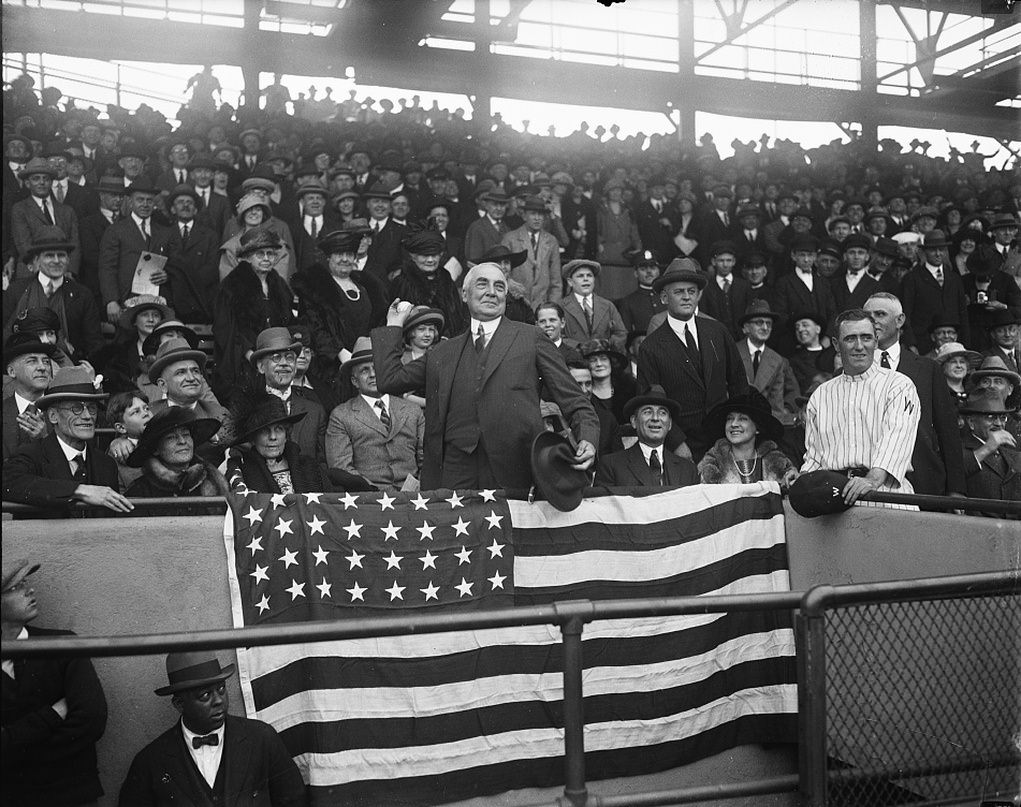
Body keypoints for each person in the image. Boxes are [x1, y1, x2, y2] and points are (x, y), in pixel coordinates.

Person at [372, 263, 598, 490]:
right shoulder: (443, 352)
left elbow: (574, 399)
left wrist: (587, 437)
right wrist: (394, 325)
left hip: (516, 468)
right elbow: (390, 379)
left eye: (499, 287)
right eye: (483, 284)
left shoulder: (531, 337)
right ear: (464, 294)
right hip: (454, 471)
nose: (492, 291)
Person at [118, 651, 306, 807]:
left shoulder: (262, 738)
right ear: (179, 704)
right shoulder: (150, 762)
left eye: (221, 689)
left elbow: (294, 800)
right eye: (205, 695)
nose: (218, 700)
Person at [1, 558, 109, 807]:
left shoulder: (64, 644)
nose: (30, 590)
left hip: (73, 799)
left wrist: (14, 747)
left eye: (27, 582)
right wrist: (53, 714)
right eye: (16, 587)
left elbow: (92, 719)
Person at [801, 309, 921, 506]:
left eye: (866, 338)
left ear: (875, 341)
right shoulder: (821, 394)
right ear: (836, 345)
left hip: (885, 494)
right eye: (850, 339)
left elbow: (897, 439)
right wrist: (803, 478)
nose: (859, 346)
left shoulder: (899, 385)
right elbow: (814, 457)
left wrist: (871, 480)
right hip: (835, 497)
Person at [636, 258, 748, 460]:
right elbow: (650, 401)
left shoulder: (717, 332)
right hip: (682, 446)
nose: (686, 297)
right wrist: (677, 443)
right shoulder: (650, 347)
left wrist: (738, 431)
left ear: (698, 295)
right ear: (663, 297)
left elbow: (738, 383)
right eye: (679, 292)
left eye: (692, 291)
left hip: (724, 439)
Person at [862, 293, 967, 497]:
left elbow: (947, 431)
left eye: (880, 314)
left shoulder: (928, 369)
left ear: (899, 320)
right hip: (868, 480)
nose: (872, 320)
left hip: (922, 480)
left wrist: (956, 489)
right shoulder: (851, 371)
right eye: (867, 315)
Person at [2, 366, 133, 513]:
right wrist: (79, 490)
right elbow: (9, 483)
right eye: (76, 408)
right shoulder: (31, 456)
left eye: (91, 408)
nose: (87, 416)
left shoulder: (106, 465)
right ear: (53, 416)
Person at [326, 337, 424, 491]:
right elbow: (341, 467)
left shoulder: (413, 410)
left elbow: (427, 460)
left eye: (377, 368)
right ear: (354, 381)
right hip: (369, 500)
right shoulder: (341, 415)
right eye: (365, 370)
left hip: (414, 499)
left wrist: (416, 490)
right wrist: (376, 494)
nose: (372, 375)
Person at [2, 228, 104, 363]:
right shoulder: (17, 290)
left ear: (68, 260)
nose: (56, 261)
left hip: (69, 369)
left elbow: (94, 343)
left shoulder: (82, 295)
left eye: (61, 255)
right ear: (37, 260)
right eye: (49, 255)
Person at [213, 228, 293, 398]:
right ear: (248, 257)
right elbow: (226, 329)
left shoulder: (278, 283)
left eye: (270, 254)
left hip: (277, 354)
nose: (266, 258)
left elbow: (288, 321)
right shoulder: (232, 285)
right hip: (244, 359)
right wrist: (251, 354)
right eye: (260, 254)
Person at [291, 229, 373, 387]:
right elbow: (314, 327)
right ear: (328, 257)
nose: (344, 259)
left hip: (364, 362)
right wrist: (341, 354)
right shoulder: (315, 289)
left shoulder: (364, 287)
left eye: (349, 254)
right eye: (339, 254)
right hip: (331, 367)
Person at [226, 394, 340, 494]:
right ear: (253, 438)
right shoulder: (243, 475)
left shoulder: (310, 467)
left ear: (286, 434)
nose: (273, 437)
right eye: (264, 431)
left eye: (279, 429)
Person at [98, 180, 173, 324]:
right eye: (140, 200)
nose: (145, 204)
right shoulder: (115, 230)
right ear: (130, 202)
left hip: (157, 301)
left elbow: (175, 263)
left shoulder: (164, 232)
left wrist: (167, 274)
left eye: (149, 200)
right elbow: (107, 268)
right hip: (126, 299)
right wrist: (111, 300)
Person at [248, 327, 327, 463]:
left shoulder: (315, 411)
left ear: (295, 365)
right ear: (261, 366)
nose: (284, 363)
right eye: (276, 358)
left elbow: (322, 465)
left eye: (289, 358)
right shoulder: (249, 410)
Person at [595, 385, 698, 487]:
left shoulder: (688, 470)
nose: (655, 418)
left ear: (670, 424)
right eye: (647, 412)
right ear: (634, 421)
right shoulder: (611, 466)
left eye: (662, 413)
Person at [697, 388, 798, 487]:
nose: (733, 424)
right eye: (729, 418)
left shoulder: (776, 462)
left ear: (758, 428)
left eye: (742, 419)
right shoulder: (713, 463)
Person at [124, 408, 229, 497]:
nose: (182, 441)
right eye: (171, 438)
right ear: (156, 450)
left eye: (186, 434)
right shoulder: (140, 492)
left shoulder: (214, 481)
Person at [9, 156, 81, 279]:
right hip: (31, 272)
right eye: (36, 179)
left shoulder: (67, 211)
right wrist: (49, 270)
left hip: (64, 273)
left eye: (46, 179)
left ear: (51, 182)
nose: (41, 182)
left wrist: (70, 271)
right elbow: (24, 245)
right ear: (27, 183)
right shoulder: (20, 209)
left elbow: (75, 244)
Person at [900, 230, 970, 353]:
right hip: (923, 344)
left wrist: (966, 344)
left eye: (942, 250)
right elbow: (906, 313)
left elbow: (963, 314)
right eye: (933, 250)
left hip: (953, 343)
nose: (938, 254)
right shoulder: (912, 278)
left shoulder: (954, 278)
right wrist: (911, 343)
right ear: (924, 252)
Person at [390, 229, 468, 337]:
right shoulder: (403, 282)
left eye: (434, 255)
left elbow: (456, 319)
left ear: (440, 255)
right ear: (413, 256)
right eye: (425, 255)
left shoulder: (446, 280)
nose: (430, 260)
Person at [736, 300, 800, 427]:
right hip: (735, 420)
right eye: (759, 323)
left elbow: (776, 403)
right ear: (746, 328)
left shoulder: (776, 360)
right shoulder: (733, 352)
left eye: (768, 324)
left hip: (763, 423)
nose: (765, 328)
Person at [958, 388, 1020, 516]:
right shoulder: (959, 449)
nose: (998, 423)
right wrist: (987, 448)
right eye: (990, 417)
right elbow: (955, 473)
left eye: (1002, 417)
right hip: (976, 530)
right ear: (971, 422)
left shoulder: (1012, 452)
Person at [500, 195, 562, 310]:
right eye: (533, 213)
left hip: (542, 306)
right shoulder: (510, 239)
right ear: (524, 216)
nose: (537, 218)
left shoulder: (551, 241)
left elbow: (556, 282)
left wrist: (552, 308)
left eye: (541, 214)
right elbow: (502, 274)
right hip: (516, 304)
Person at [2, 334, 55, 459]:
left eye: (46, 362)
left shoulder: (62, 412)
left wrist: (45, 439)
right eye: (32, 361)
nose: (42, 368)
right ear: (11, 372)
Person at [560, 259, 628, 351]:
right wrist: (579, 346)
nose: (585, 279)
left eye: (589, 275)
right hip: (574, 360)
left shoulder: (607, 305)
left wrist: (606, 344)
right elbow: (557, 336)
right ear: (570, 282)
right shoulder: (561, 306)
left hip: (602, 357)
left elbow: (621, 333)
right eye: (580, 276)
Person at [699, 241, 752, 341]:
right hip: (716, 338)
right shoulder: (706, 288)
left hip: (741, 338)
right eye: (721, 261)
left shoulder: (744, 286)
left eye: (729, 260)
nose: (725, 265)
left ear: (734, 262)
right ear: (714, 262)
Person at [105, 389, 153, 490]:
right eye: (136, 412)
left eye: (147, 408)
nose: (145, 414)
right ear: (121, 428)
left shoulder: (163, 440)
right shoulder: (117, 455)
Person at [615, 251, 666, 334]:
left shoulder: (668, 297)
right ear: (636, 273)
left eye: (653, 268)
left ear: (658, 271)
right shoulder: (628, 302)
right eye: (643, 269)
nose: (649, 271)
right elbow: (626, 333)